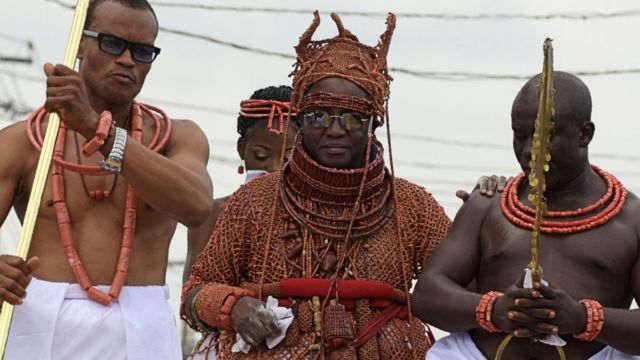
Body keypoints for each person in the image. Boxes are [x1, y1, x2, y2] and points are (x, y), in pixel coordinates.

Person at [181, 12, 453, 359]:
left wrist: (489, 212)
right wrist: (233, 306)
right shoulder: (256, 200)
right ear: (300, 118)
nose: (335, 129)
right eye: (319, 116)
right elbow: (193, 292)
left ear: (375, 122)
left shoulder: (412, 206)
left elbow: (461, 288)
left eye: (353, 117)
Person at [0, 0, 213, 358]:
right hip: (40, 324)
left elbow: (196, 207)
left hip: (142, 327)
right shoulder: (23, 142)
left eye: (143, 51)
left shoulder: (178, 137)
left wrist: (97, 130)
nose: (128, 60)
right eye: (112, 43)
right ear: (80, 44)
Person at [412, 72, 640, 360]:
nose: (530, 149)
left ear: (585, 134)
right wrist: (495, 311)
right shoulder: (487, 204)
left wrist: (584, 318)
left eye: (546, 136)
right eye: (520, 135)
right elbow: (427, 296)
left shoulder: (631, 219)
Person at [184, 85, 297, 284]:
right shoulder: (213, 214)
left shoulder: (319, 218)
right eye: (260, 156)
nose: (273, 168)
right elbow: (192, 292)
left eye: (287, 158)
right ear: (242, 149)